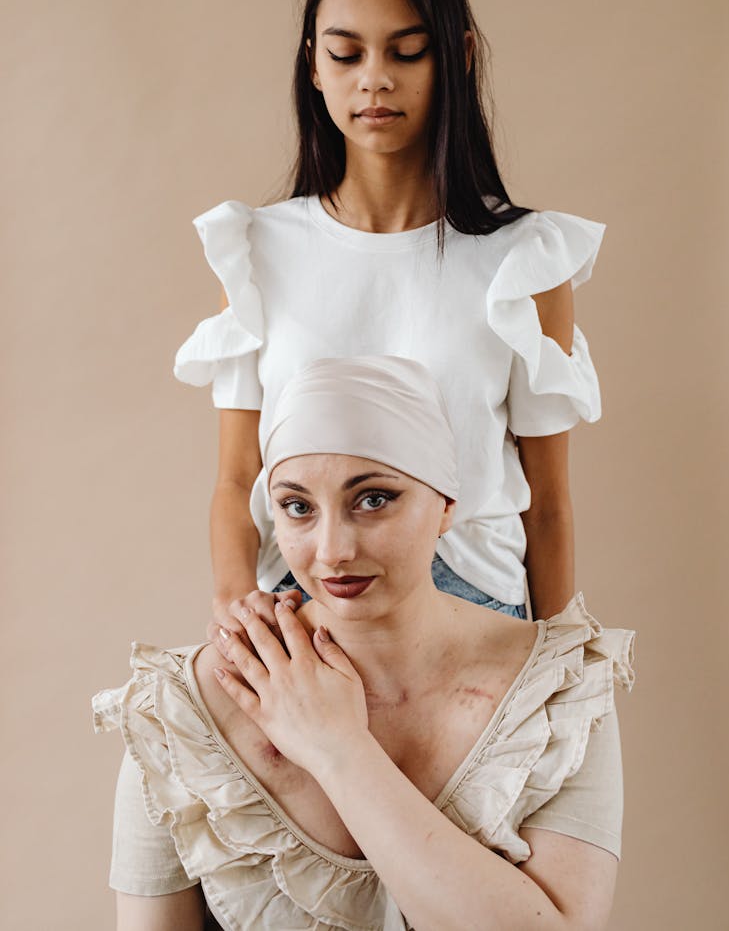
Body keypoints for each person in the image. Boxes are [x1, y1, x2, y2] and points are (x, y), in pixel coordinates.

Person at [94, 356, 634, 931]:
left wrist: (338, 749)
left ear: (447, 503)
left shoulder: (557, 692)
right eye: (297, 507)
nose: (332, 551)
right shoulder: (181, 712)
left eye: (373, 499)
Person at [173, 0, 605, 631]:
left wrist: (561, 662)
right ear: (315, 65)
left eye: (407, 52)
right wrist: (233, 604)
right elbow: (235, 475)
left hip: (475, 614)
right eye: (347, 54)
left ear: (458, 57)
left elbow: (549, 502)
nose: (374, 77)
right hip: (303, 611)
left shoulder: (524, 260)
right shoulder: (257, 250)